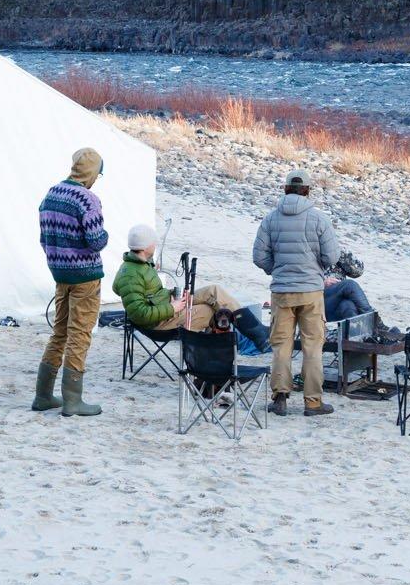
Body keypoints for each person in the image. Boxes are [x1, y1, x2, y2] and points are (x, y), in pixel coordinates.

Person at [252, 171, 341, 418]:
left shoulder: (271, 219)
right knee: (313, 347)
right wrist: (317, 271)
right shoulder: (318, 219)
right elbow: (332, 256)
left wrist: (276, 270)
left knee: (281, 346)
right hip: (311, 291)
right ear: (307, 191)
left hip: (282, 291)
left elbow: (259, 256)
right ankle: (313, 403)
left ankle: (280, 398)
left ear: (285, 189)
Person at [34, 147, 108, 418]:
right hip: (85, 276)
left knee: (60, 332)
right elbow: (97, 240)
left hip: (60, 272)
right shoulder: (88, 199)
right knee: (80, 333)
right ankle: (73, 401)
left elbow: (43, 237)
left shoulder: (51, 194)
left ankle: (43, 396)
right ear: (91, 172)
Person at [113, 224, 269, 343]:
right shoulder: (131, 275)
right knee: (210, 311)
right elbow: (140, 315)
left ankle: (257, 332)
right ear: (146, 246)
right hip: (160, 324)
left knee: (214, 291)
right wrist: (172, 307)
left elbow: (150, 296)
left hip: (168, 306)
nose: (155, 246)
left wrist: (172, 296)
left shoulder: (141, 264)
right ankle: (215, 353)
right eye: (153, 243)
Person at [322, 251, 390, 331]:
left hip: (339, 301)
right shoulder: (308, 252)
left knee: (348, 306)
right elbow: (304, 280)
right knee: (349, 285)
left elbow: (358, 271)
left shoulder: (335, 252)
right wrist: (322, 283)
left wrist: (339, 253)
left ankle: (360, 337)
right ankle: (375, 322)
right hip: (318, 300)